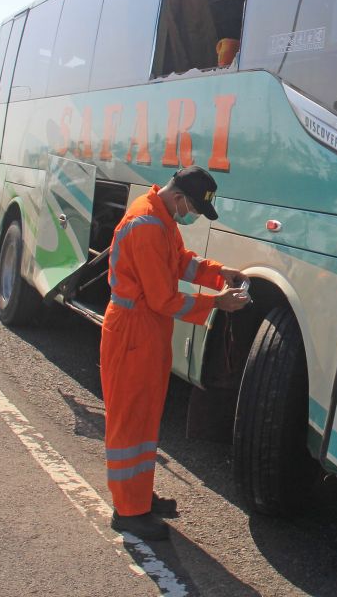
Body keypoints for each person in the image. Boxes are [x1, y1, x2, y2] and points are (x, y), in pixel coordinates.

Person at [101, 165, 250, 540]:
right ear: (180, 197)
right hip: (134, 329)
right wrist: (218, 302)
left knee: (146, 418)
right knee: (130, 422)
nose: (194, 216)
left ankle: (138, 498)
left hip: (146, 330)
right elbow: (162, 298)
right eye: (195, 210)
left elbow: (180, 262)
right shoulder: (149, 224)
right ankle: (128, 512)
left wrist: (220, 272)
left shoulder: (160, 216)